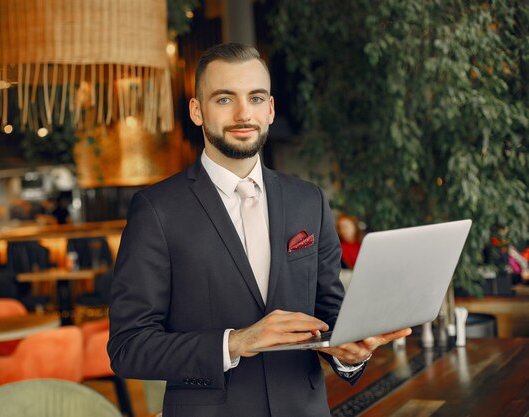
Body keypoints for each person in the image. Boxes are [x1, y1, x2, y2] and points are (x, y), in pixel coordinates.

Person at [107, 43, 410, 417]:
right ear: (197, 111)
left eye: (255, 98)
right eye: (224, 99)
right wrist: (235, 342)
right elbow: (127, 348)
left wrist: (350, 354)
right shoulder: (155, 209)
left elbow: (330, 316)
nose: (242, 113)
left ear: (270, 109)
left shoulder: (309, 201)